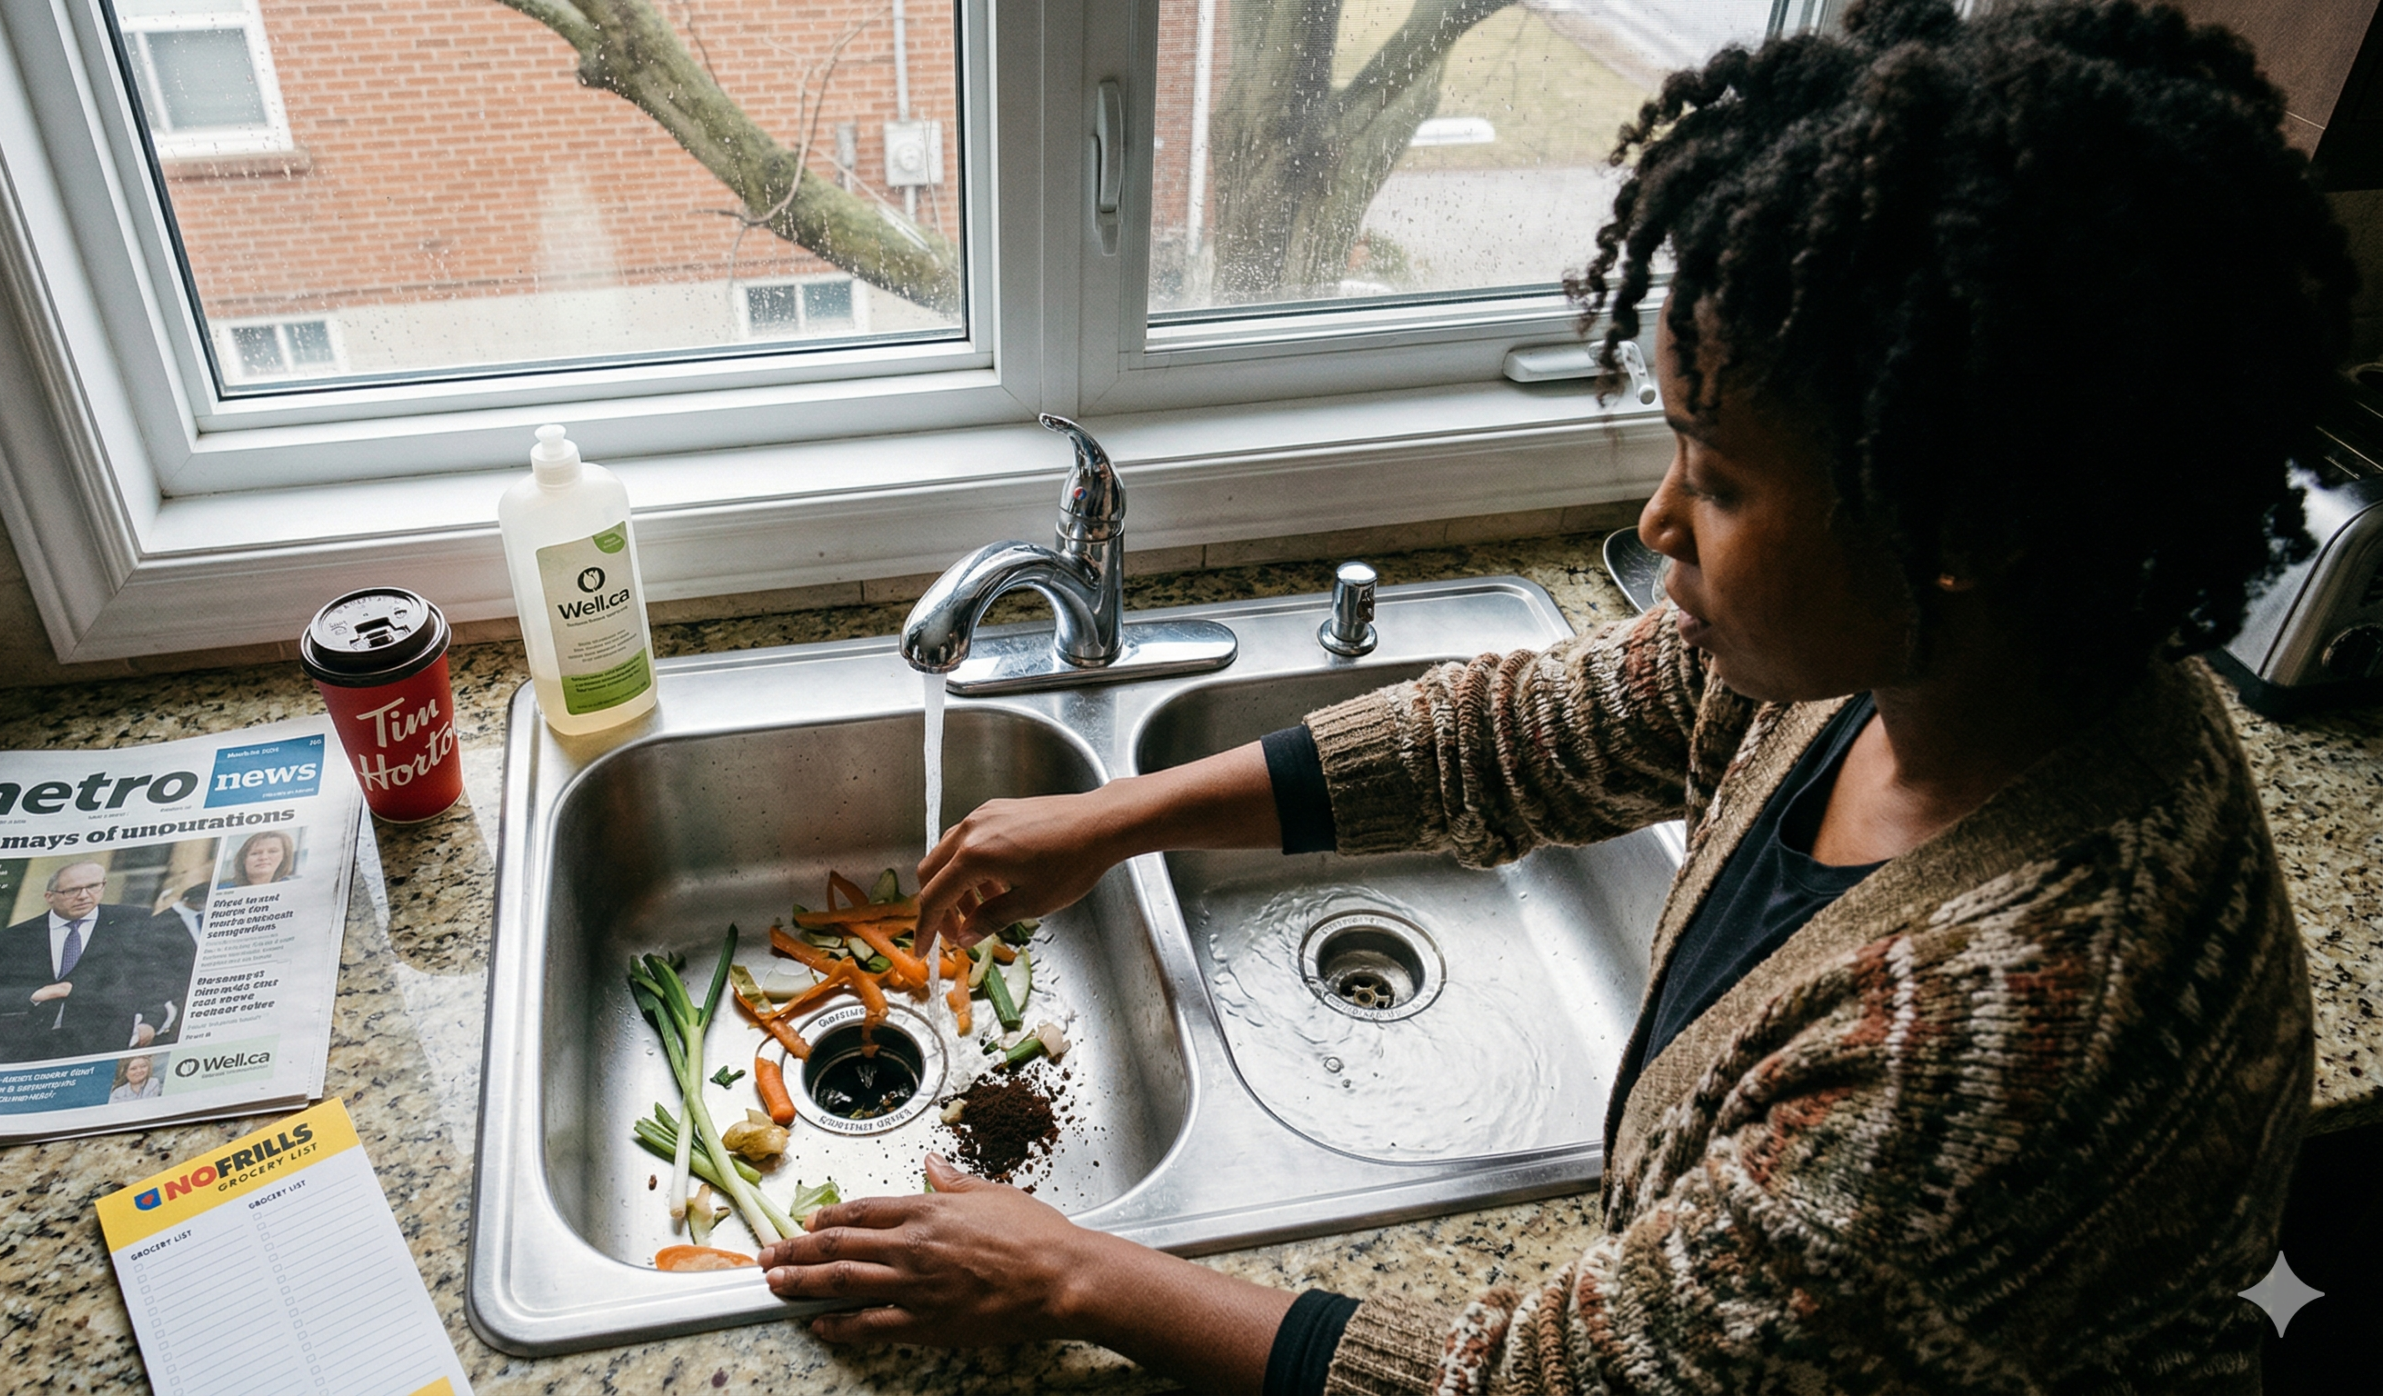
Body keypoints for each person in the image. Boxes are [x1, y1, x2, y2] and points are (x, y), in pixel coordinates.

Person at [756, 2, 2350, 1390]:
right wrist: (1124, 813)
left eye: (1716, 478)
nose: (1659, 521)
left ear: (1963, 526)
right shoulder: (1915, 674)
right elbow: (1527, 735)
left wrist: (1072, 1277)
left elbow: (1563, 1385)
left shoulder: (2006, 1039)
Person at [0, 860, 199, 1066]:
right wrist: (36, 995)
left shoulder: (135, 923)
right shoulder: (8, 941)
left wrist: (150, 1024)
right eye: (71, 890)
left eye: (93, 886)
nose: (84, 896)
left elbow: (164, 988)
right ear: (50, 896)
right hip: (11, 1056)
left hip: (94, 1055)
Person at [218, 831, 297, 890]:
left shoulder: (291, 887)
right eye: (255, 853)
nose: (263, 857)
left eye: (273, 851)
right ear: (243, 859)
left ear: (284, 857)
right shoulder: (224, 889)